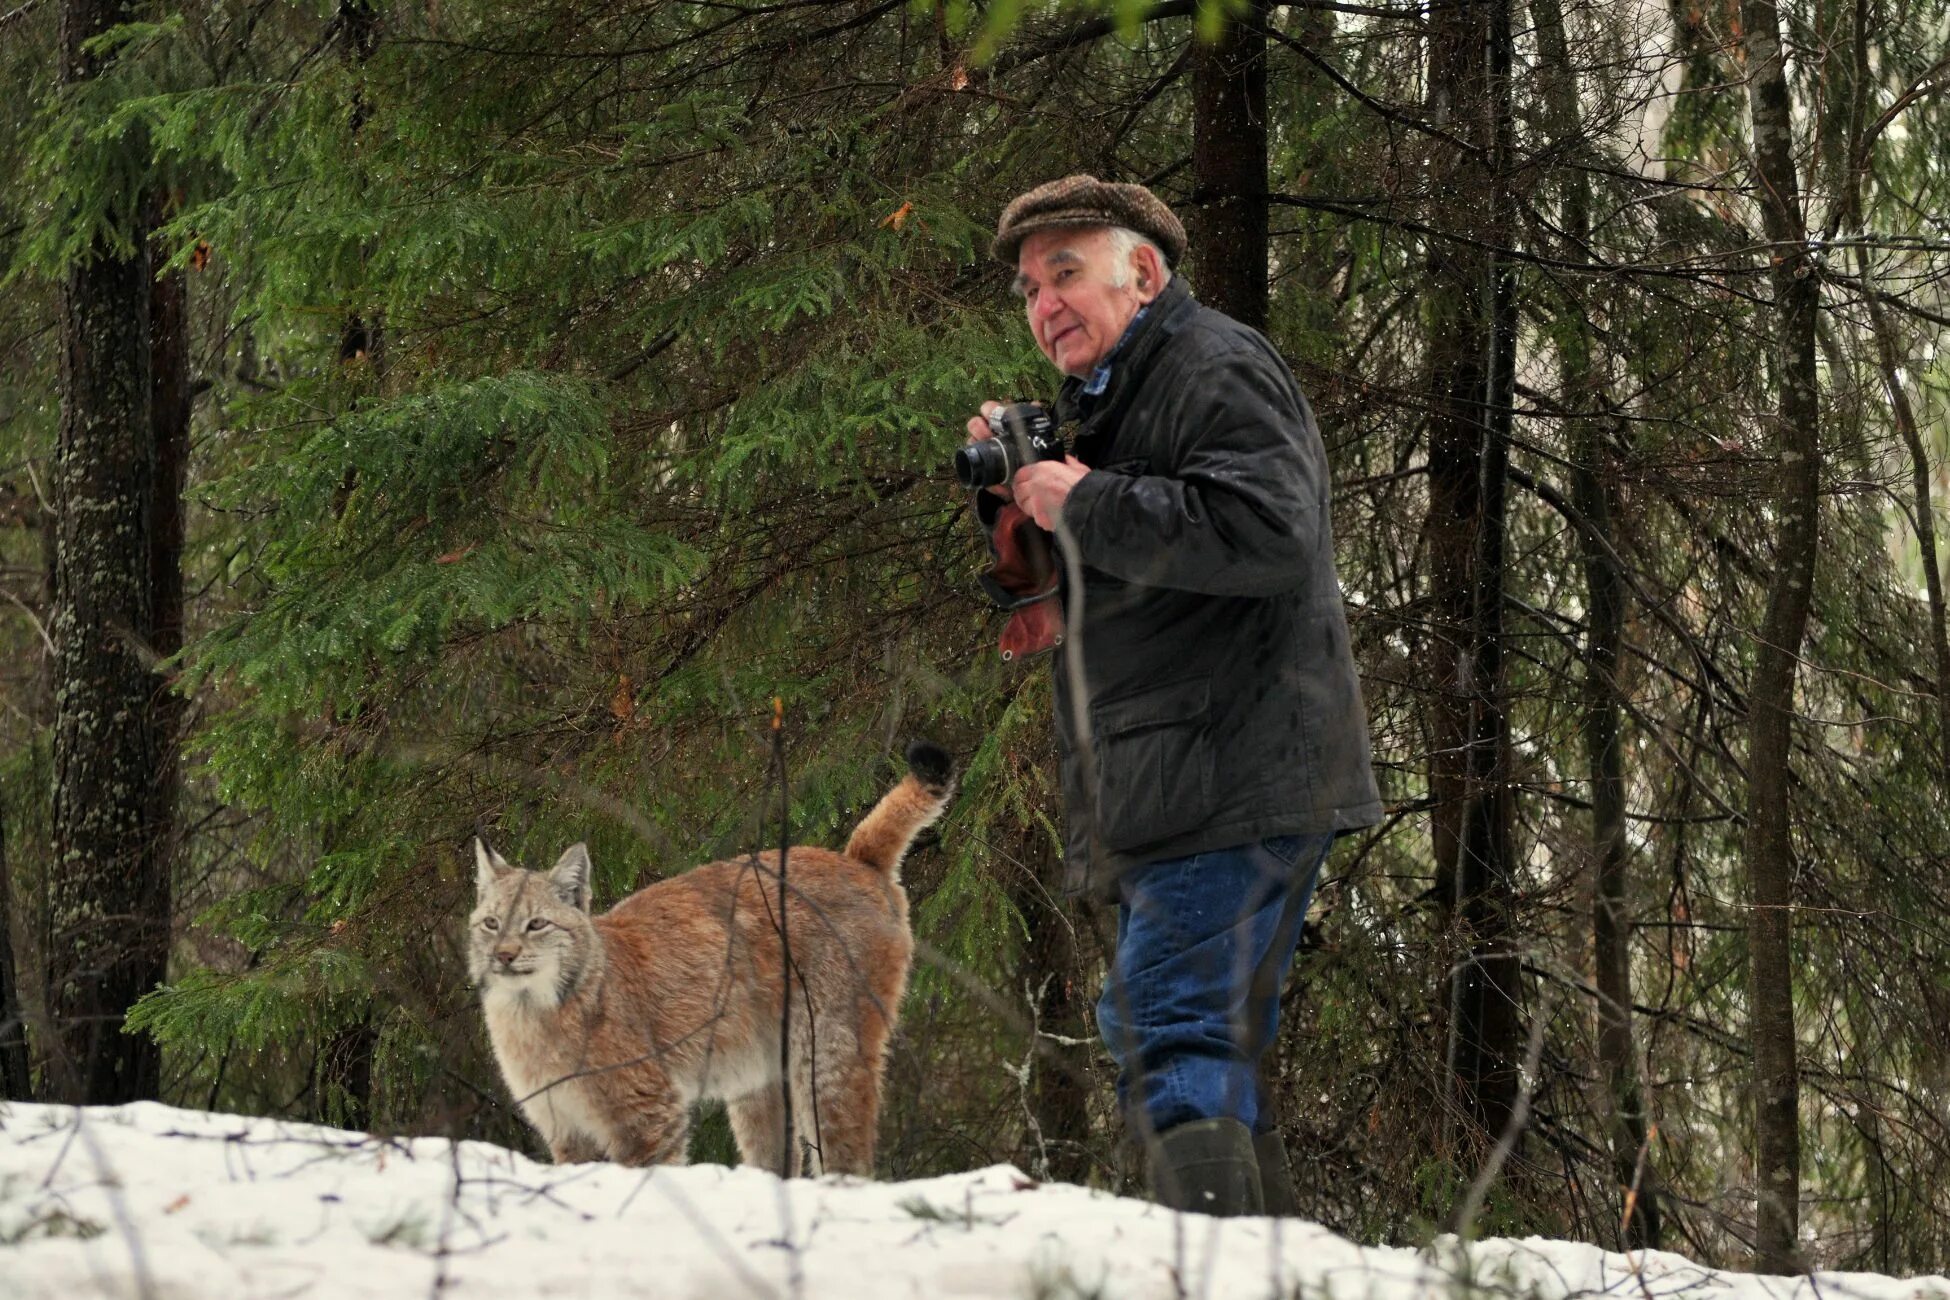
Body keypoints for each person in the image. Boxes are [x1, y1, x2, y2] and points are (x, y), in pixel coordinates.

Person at [967, 175, 1384, 1217]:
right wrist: (1037, 547)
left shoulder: (1213, 363)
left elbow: (1274, 533)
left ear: (1142, 273)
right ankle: (1267, 1266)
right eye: (1029, 287)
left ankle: (1213, 1268)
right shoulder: (1112, 400)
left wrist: (1089, 498)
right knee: (1196, 1032)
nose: (1044, 303)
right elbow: (1167, 570)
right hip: (1189, 772)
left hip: (1230, 768)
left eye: (1066, 272)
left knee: (1168, 1020)